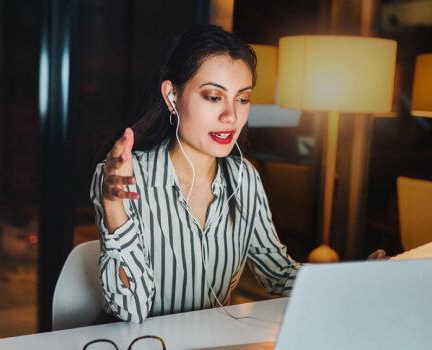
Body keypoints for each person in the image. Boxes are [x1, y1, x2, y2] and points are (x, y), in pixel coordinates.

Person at [90, 25, 302, 324]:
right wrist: (113, 205)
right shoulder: (121, 179)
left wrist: (358, 281)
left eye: (242, 99)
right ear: (172, 96)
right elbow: (130, 311)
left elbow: (278, 273)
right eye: (214, 97)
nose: (231, 116)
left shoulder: (244, 178)